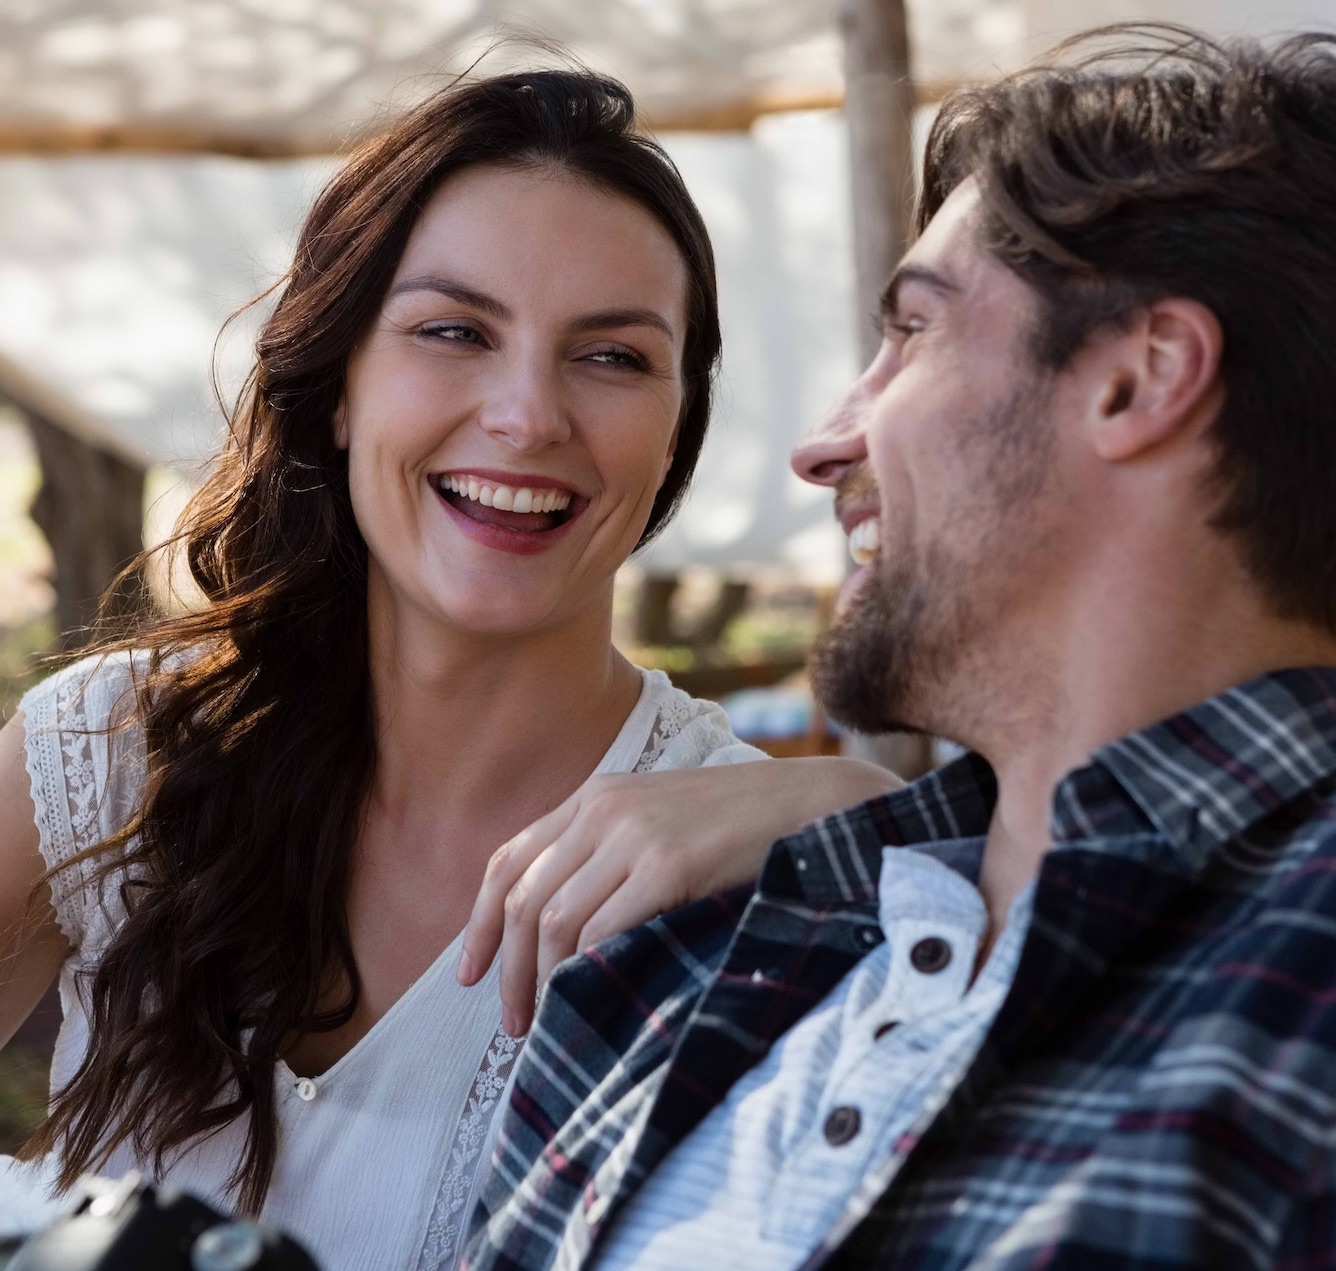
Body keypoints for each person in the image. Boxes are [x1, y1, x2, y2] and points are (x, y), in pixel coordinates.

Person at [465, 24, 1336, 1271]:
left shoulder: (1331, 961)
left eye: (914, 332)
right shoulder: (685, 965)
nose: (824, 444)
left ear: (1138, 380)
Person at [0, 70, 900, 1268]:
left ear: (679, 426)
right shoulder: (107, 753)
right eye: (454, 332)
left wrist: (879, 813)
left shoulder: (749, 862)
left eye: (615, 357)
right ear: (337, 387)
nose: (527, 415)